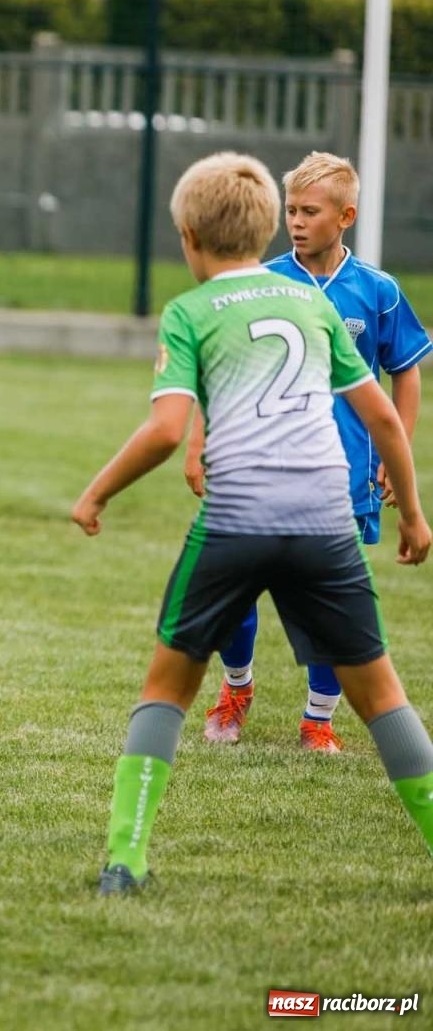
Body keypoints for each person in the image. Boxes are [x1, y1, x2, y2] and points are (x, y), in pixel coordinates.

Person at [72, 151, 433, 896]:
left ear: (187, 236)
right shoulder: (312, 303)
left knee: (166, 690)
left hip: (237, 519)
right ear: (271, 223)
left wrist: (97, 492)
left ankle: (125, 861)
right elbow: (385, 422)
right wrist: (415, 513)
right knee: (385, 697)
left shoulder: (189, 311)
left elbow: (168, 431)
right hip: (327, 518)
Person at [189, 152, 431, 752]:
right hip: (261, 467)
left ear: (345, 216)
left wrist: (393, 452)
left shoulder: (377, 292)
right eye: (290, 210)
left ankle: (318, 719)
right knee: (237, 587)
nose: (295, 221)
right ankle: (237, 688)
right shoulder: (262, 282)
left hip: (346, 477)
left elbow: (404, 374)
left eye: (309, 211)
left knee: (330, 604)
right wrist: (201, 440)